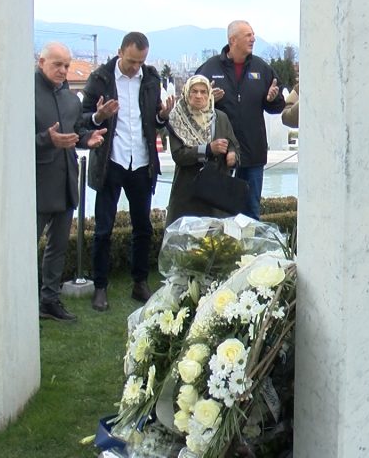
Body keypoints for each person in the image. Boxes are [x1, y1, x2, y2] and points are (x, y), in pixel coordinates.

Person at [82, 32, 175, 311]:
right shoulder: (100, 79)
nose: (135, 67)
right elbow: (83, 119)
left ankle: (140, 282)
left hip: (142, 161)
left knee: (142, 227)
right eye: (132, 61)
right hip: (111, 160)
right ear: (120, 52)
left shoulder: (150, 79)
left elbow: (153, 120)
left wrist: (162, 117)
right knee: (103, 229)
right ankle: (100, 286)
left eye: (140, 62)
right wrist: (99, 116)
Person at [34, 42, 107, 322]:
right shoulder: (24, 94)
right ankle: (21, 302)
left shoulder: (70, 100)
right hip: (36, 185)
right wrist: (47, 140)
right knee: (26, 248)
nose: (64, 70)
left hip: (66, 182)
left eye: (66, 65)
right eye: (58, 65)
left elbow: (76, 132)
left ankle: (49, 300)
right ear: (41, 62)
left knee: (58, 247)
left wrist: (88, 139)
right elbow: (12, 139)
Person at [196, 20, 286, 219]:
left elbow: (278, 107)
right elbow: (192, 107)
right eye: (248, 35)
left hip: (253, 153)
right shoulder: (209, 68)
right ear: (232, 40)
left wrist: (272, 99)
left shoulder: (262, 68)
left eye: (253, 34)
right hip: (220, 156)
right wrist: (209, 101)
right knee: (218, 213)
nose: (253, 39)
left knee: (251, 212)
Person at [164, 74, 240, 225]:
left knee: (216, 235)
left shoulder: (220, 118)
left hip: (216, 192)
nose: (199, 96)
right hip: (188, 192)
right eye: (194, 91)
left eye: (203, 92)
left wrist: (233, 155)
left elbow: (233, 144)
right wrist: (207, 149)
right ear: (187, 93)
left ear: (209, 94)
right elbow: (179, 155)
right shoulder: (176, 120)